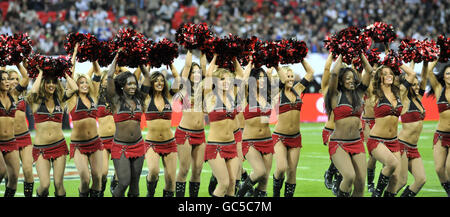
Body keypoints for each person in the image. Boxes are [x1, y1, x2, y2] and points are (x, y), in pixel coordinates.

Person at [364, 56, 414, 197]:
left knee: (396, 178)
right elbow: (368, 72)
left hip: (394, 142)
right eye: (384, 74)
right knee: (391, 164)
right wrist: (362, 56)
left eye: (390, 73)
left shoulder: (398, 92)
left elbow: (411, 74)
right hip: (377, 140)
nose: (389, 76)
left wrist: (398, 62)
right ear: (379, 77)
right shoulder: (375, 93)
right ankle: (377, 194)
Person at [26, 67, 78, 197]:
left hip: (59, 146)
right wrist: (41, 73)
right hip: (41, 148)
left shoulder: (60, 99)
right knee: (44, 186)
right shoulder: (36, 101)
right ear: (43, 84)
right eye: (48, 82)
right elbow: (33, 90)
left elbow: (75, 88)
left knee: (59, 183)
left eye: (53, 82)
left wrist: (64, 73)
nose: (51, 85)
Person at [324, 54, 371, 197]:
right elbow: (333, 73)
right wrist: (340, 54)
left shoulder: (359, 93)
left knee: (361, 183)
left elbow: (369, 71)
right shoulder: (335, 95)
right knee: (349, 176)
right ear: (341, 81)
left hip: (357, 143)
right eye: (347, 78)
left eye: (352, 78)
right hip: (339, 144)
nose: (351, 81)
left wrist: (361, 53)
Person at [106, 51, 149, 197]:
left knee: (135, 185)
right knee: (123, 182)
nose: (133, 86)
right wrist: (117, 56)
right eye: (129, 84)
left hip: (138, 145)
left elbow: (148, 77)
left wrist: (139, 59)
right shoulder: (115, 100)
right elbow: (109, 76)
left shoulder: (140, 98)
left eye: (134, 83)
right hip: (121, 146)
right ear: (122, 86)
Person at [271, 59, 315, 197]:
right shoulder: (276, 92)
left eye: (291, 76)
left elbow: (310, 72)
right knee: (281, 167)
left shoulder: (297, 89)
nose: (290, 79)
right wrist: (277, 66)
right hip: (280, 137)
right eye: (287, 76)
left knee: (292, 171)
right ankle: (276, 193)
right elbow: (282, 80)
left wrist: (300, 58)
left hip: (295, 137)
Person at [203, 55, 241, 197]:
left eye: (228, 80)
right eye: (222, 80)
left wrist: (234, 56)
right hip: (215, 146)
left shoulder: (232, 94)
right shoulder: (211, 97)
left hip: (231, 145)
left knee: (232, 185)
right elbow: (208, 75)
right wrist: (216, 56)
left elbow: (241, 76)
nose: (226, 82)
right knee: (223, 183)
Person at [66, 60, 103, 197]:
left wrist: (93, 58)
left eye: (86, 82)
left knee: (97, 178)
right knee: (85, 178)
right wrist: (74, 55)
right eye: (81, 82)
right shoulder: (72, 99)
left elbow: (98, 73)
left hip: (95, 142)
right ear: (76, 84)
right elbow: (70, 74)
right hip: (79, 145)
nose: (85, 85)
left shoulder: (93, 96)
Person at [142, 64, 179, 197]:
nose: (160, 83)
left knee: (171, 181)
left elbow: (178, 79)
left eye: (162, 80)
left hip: (170, 143)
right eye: (156, 80)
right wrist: (146, 66)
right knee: (153, 171)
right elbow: (144, 80)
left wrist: (171, 63)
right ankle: (150, 192)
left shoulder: (169, 97)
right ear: (151, 82)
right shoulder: (146, 99)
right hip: (152, 143)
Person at [237, 67, 274, 197]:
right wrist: (251, 61)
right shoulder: (247, 94)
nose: (262, 80)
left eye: (264, 78)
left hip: (268, 141)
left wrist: (273, 66)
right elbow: (242, 82)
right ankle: (239, 195)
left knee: (264, 182)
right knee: (259, 172)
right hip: (250, 141)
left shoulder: (268, 94)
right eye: (259, 78)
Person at [174, 50, 207, 197]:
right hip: (185, 133)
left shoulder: (204, 89)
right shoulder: (184, 87)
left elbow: (205, 68)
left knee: (198, 170)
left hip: (200, 134)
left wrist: (203, 49)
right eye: (194, 72)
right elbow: (187, 66)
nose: (196, 74)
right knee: (184, 169)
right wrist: (189, 47)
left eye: (198, 72)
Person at [397, 61, 432, 197]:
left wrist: (424, 62)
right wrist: (398, 61)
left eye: (418, 85)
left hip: (413, 147)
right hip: (403, 145)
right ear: (408, 85)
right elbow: (409, 76)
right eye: (414, 85)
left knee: (421, 179)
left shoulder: (418, 98)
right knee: (401, 181)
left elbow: (423, 77)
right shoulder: (404, 99)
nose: (417, 87)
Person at [7, 63, 32, 197]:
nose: (16, 81)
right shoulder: (3, 95)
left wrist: (18, 62)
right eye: (12, 79)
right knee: (12, 176)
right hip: (10, 140)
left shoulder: (20, 93)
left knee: (28, 171)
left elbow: (26, 77)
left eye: (17, 79)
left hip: (25, 136)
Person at [427, 63, 450, 197]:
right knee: (439, 169)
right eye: (447, 73)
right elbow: (429, 71)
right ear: (443, 76)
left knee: (449, 167)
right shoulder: (439, 89)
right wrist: (437, 56)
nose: (449, 76)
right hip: (441, 135)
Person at [321, 54, 341, 194]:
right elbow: (327, 68)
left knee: (345, 161)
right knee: (339, 157)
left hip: (347, 133)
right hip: (330, 130)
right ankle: (330, 173)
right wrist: (334, 53)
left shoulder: (349, 92)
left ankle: (336, 180)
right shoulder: (327, 90)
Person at [0, 69, 21, 197]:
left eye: (7, 78)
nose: (6, 81)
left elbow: (25, 78)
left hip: (11, 141)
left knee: (14, 176)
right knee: (1, 171)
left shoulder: (13, 95)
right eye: (3, 79)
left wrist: (19, 61)